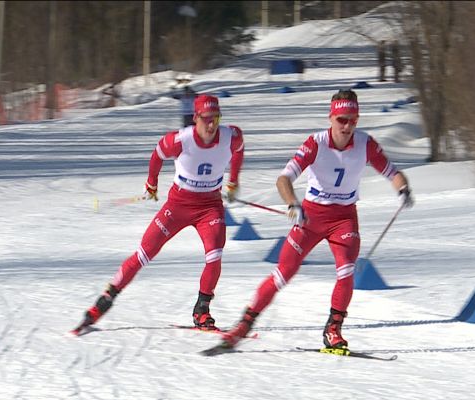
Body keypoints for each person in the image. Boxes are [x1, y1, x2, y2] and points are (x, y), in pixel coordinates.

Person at [214, 89, 413, 350]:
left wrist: (403, 189)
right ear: (331, 118)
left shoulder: (366, 144)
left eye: (353, 120)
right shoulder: (315, 143)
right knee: (284, 272)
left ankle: (333, 329)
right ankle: (246, 322)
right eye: (342, 119)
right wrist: (292, 204)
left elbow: (393, 173)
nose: (347, 126)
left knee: (346, 271)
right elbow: (283, 179)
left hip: (344, 218)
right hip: (311, 217)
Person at [73, 94, 244, 334]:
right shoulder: (180, 140)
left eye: (215, 118)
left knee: (214, 255)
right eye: (206, 119)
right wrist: (151, 184)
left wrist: (233, 181)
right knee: (145, 253)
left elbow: (239, 150)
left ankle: (202, 310)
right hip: (179, 204)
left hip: (209, 206)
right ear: (195, 118)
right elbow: (157, 155)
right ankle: (103, 302)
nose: (211, 124)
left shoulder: (231, 135)